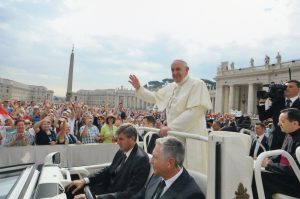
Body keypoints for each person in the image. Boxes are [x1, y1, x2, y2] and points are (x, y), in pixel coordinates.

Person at [129, 59, 212, 174]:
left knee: (192, 170)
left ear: (187, 70)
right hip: (175, 134)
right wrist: (139, 88)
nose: (174, 73)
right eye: (172, 70)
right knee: (175, 169)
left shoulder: (197, 84)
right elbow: (155, 97)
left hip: (191, 134)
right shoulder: (171, 87)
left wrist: (170, 127)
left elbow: (194, 111)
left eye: (178, 69)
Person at [68, 123, 150, 199]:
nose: (118, 142)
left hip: (114, 195)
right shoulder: (122, 151)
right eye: (117, 139)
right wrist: (84, 180)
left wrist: (96, 198)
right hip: (106, 188)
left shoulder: (141, 160)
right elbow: (109, 170)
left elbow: (130, 193)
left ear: (132, 139)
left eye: (121, 139)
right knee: (72, 188)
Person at [131, 136, 205, 199]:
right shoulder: (157, 175)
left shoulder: (192, 195)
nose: (150, 161)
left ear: (170, 163)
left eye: (155, 157)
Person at [252, 108, 300, 198]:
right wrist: (266, 160)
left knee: (258, 177)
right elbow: (281, 157)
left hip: (295, 184)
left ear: (295, 123)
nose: (278, 124)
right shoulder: (289, 135)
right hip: (287, 178)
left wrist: (269, 165)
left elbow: (295, 169)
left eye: (282, 121)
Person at [257, 80, 300, 150]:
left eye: (291, 87)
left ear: (298, 89)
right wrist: (262, 101)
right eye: (285, 87)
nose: (287, 88)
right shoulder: (278, 102)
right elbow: (262, 117)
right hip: (274, 140)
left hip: (293, 141)